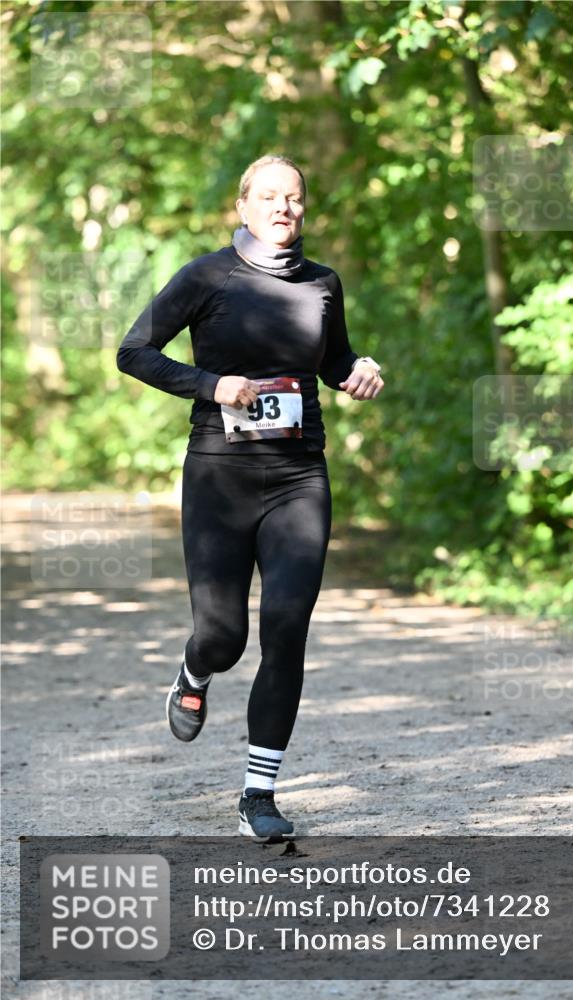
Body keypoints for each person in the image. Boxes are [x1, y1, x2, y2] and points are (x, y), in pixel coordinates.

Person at [116, 154, 384, 841]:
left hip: (299, 478)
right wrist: (212, 386)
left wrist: (358, 370)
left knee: (286, 630)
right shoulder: (207, 277)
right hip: (218, 477)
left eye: (293, 198)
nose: (283, 208)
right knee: (225, 635)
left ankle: (258, 794)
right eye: (269, 197)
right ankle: (194, 665)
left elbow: (331, 362)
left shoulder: (323, 284)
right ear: (243, 206)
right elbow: (134, 350)